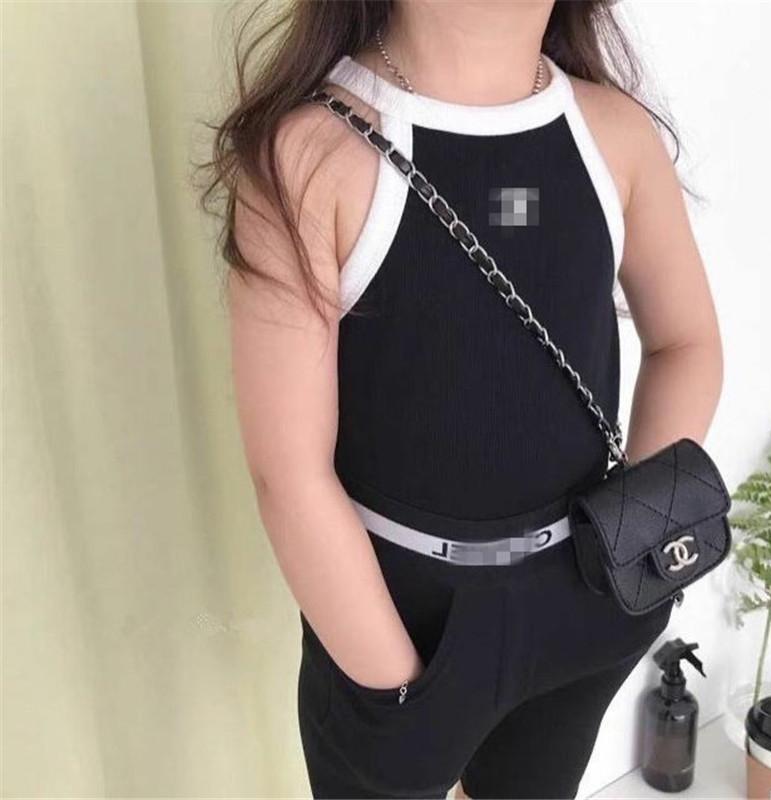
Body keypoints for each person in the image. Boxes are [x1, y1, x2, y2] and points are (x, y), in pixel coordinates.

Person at [201, 1, 724, 797]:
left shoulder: (615, 135)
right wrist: (394, 687)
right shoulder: (308, 156)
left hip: (585, 593)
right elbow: (289, 473)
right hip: (398, 622)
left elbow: (686, 343)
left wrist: (637, 547)